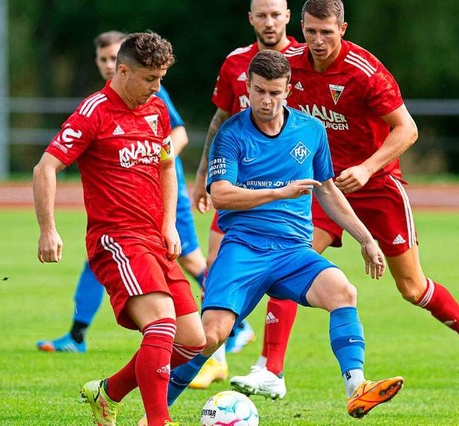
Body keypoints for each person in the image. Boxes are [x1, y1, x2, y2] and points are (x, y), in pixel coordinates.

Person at [230, 0, 459, 398]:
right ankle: (271, 369)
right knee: (289, 260)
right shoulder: (289, 64)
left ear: (343, 28)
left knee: (412, 287)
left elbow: (407, 129)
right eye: (311, 31)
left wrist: (368, 168)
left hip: (378, 186)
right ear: (301, 26)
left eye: (327, 32)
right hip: (324, 187)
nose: (318, 41)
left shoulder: (364, 71)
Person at [159, 50, 404, 420]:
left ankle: (357, 387)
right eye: (259, 91)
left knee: (343, 291)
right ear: (248, 87)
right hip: (244, 249)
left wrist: (366, 239)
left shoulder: (310, 131)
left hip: (292, 252)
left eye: (275, 92)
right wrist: (279, 191)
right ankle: (158, 409)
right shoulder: (232, 134)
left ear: (289, 89)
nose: (266, 101)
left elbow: (327, 189)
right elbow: (221, 193)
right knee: (210, 337)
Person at [33, 32, 205, 426]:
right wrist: (48, 229)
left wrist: (168, 225)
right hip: (116, 239)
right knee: (161, 324)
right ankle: (158, 422)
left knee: (193, 340)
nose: (156, 88)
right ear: (123, 71)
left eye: (161, 79)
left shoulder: (156, 110)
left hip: (153, 239)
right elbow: (46, 167)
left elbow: (164, 166)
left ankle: (107, 393)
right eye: (150, 79)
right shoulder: (93, 111)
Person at [188, 0, 304, 390]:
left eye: (276, 14)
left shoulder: (306, 61)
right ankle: (215, 358)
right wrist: (204, 173)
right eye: (262, 14)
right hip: (238, 186)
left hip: (287, 192)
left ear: (288, 17)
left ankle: (271, 365)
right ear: (250, 18)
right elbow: (220, 119)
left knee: (287, 268)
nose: (269, 22)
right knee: (215, 260)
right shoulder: (235, 62)